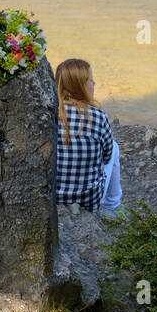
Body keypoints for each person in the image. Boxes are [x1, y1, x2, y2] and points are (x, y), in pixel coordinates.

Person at [54, 58, 123, 216]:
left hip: (53, 196)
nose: (94, 84)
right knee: (114, 147)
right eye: (91, 81)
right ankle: (113, 205)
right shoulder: (98, 117)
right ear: (81, 86)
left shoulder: (48, 112)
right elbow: (106, 156)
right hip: (88, 200)